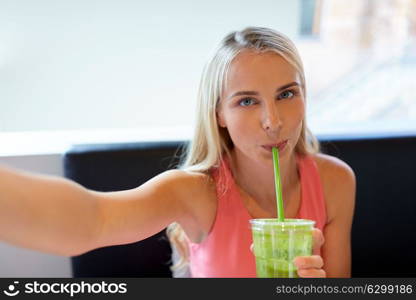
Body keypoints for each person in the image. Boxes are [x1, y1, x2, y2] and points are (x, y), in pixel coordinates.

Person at [0, 27, 355, 278]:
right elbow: (92, 220)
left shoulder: (335, 181)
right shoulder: (195, 192)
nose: (272, 121)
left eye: (287, 94)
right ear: (219, 114)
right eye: (247, 101)